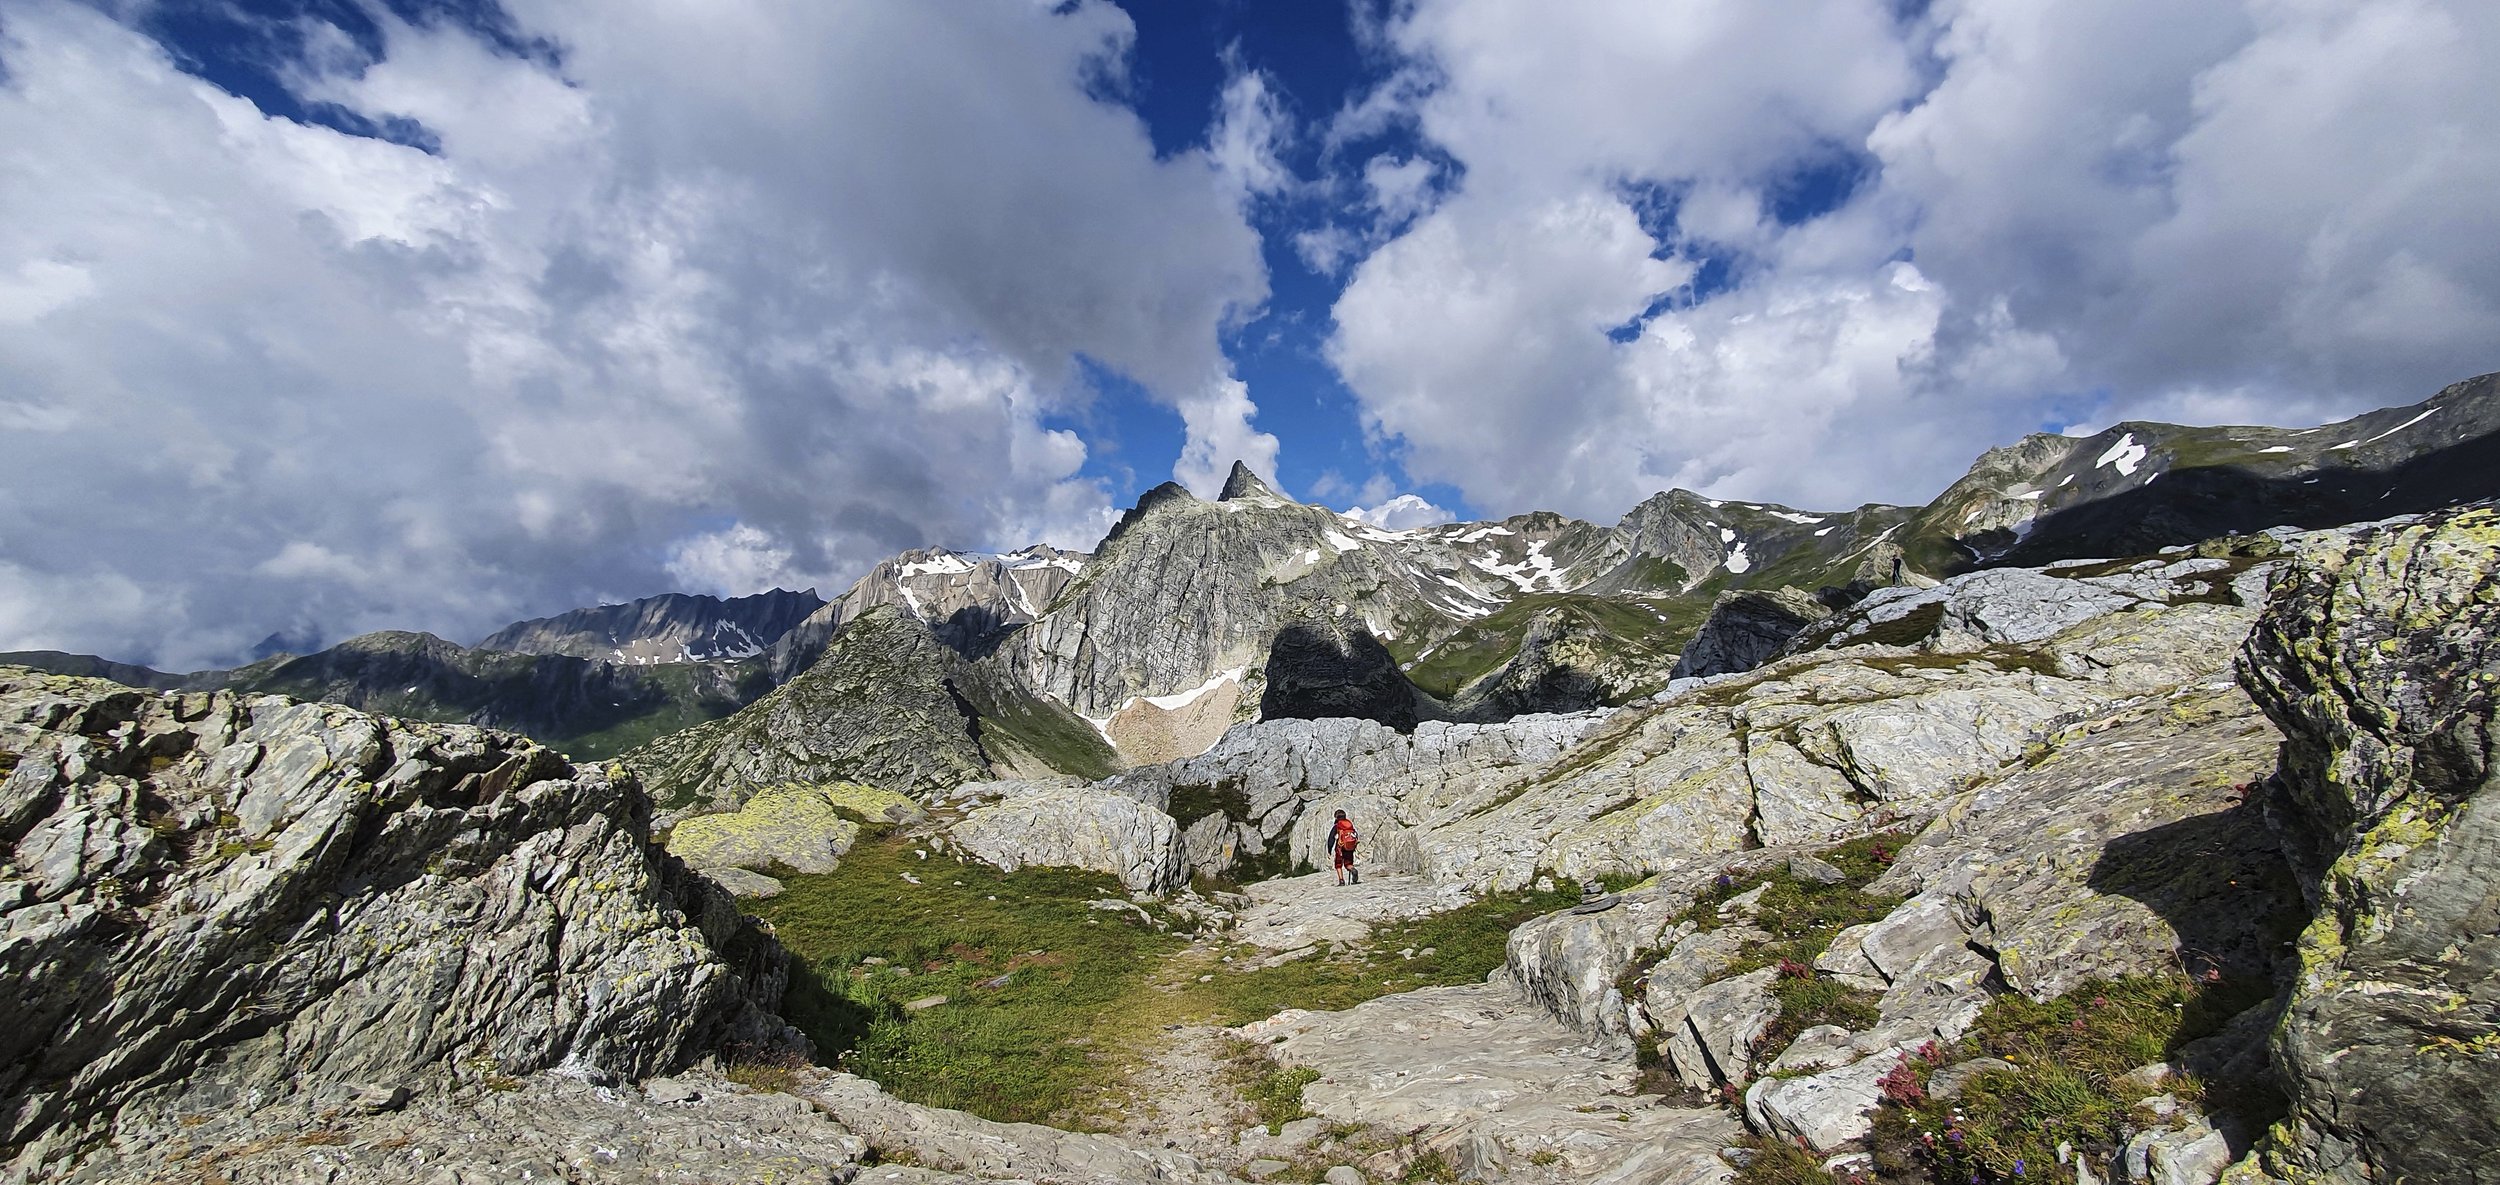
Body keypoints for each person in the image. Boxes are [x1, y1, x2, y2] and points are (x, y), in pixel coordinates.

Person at [1328, 809, 1359, 886]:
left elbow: (1331, 838)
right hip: (1350, 848)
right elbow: (1355, 835)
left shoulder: (1337, 826)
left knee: (1338, 864)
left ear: (1336, 818)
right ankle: (1352, 869)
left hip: (1340, 848)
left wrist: (1329, 849)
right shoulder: (1349, 825)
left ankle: (1341, 881)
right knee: (1348, 863)